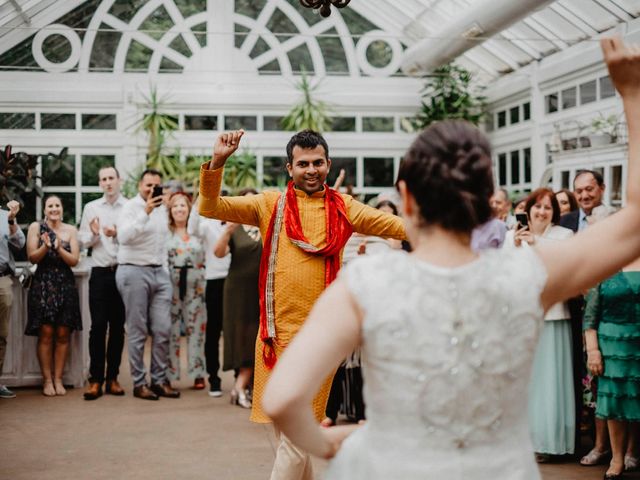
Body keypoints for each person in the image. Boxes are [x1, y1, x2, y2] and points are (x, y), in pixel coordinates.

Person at [261, 36, 640, 480]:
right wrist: (632, 94)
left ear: (405, 197)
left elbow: (283, 399)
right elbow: (635, 221)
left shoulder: (366, 283)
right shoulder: (530, 274)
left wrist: (324, 442)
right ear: (485, 200)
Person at [199, 129, 405, 480]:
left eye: (318, 163)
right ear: (289, 167)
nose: (312, 170)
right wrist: (217, 162)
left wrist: (453, 232)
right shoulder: (269, 205)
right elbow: (211, 206)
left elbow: (398, 226)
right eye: (303, 163)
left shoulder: (345, 209)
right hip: (274, 338)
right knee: (289, 436)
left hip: (319, 342)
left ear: (328, 164)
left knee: (296, 438)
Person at [504, 189, 575, 461]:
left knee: (549, 380)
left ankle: (549, 441)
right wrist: (517, 246)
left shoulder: (563, 236)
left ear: (554, 212)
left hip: (554, 315)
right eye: (537, 207)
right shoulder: (512, 236)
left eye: (548, 207)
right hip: (521, 317)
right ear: (528, 209)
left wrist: (536, 244)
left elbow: (566, 267)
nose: (542, 212)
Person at [115, 169, 179, 401]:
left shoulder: (163, 209)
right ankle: (140, 383)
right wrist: (146, 212)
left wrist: (163, 269)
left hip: (159, 273)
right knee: (137, 330)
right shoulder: (130, 207)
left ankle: (159, 380)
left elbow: (162, 242)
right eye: (148, 185)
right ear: (140, 186)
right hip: (133, 270)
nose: (152, 190)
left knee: (163, 329)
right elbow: (123, 237)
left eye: (156, 186)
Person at [584, 256, 640, 479]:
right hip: (611, 347)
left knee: (636, 397)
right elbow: (590, 314)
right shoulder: (606, 262)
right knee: (614, 400)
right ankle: (616, 459)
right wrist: (593, 350)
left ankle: (633, 452)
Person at [79, 166, 127, 400]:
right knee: (98, 326)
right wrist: (95, 234)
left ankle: (113, 378)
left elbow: (134, 239)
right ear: (100, 183)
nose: (108, 182)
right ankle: (95, 380)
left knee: (118, 327)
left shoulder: (129, 207)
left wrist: (116, 233)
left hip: (123, 271)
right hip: (99, 272)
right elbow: (82, 241)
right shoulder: (91, 208)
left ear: (120, 180)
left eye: (111, 178)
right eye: (104, 179)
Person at [25, 195, 81, 396]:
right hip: (43, 285)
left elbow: (74, 260)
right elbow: (32, 256)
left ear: (62, 209)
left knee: (64, 334)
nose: (54, 209)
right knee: (46, 333)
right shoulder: (35, 227)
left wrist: (58, 247)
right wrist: (46, 246)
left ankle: (59, 380)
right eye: (50, 206)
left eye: (57, 205)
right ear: (45, 210)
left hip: (65, 284)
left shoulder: (71, 230)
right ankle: (47, 381)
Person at [213, 188, 262, 409]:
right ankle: (240, 386)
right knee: (241, 337)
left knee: (258, 337)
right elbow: (218, 253)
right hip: (237, 291)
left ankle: (247, 386)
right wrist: (227, 232)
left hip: (261, 290)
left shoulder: (266, 225)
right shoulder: (234, 226)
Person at [188, 196, 231, 397]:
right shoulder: (206, 225)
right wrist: (199, 201)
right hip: (214, 280)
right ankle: (213, 377)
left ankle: (242, 375)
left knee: (237, 330)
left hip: (237, 281)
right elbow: (192, 229)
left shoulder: (237, 219)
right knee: (213, 331)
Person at [166, 192, 207, 389]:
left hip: (195, 287)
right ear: (170, 211)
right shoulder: (165, 233)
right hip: (171, 288)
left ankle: (198, 372)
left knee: (197, 329)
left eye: (183, 206)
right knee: (170, 330)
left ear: (189, 210)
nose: (179, 210)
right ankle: (169, 372)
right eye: (175, 206)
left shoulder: (197, 232)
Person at [0, 200, 25, 399]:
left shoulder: (4, 215)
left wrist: (11, 220)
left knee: (1, 334)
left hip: (2, 281)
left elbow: (20, 243)